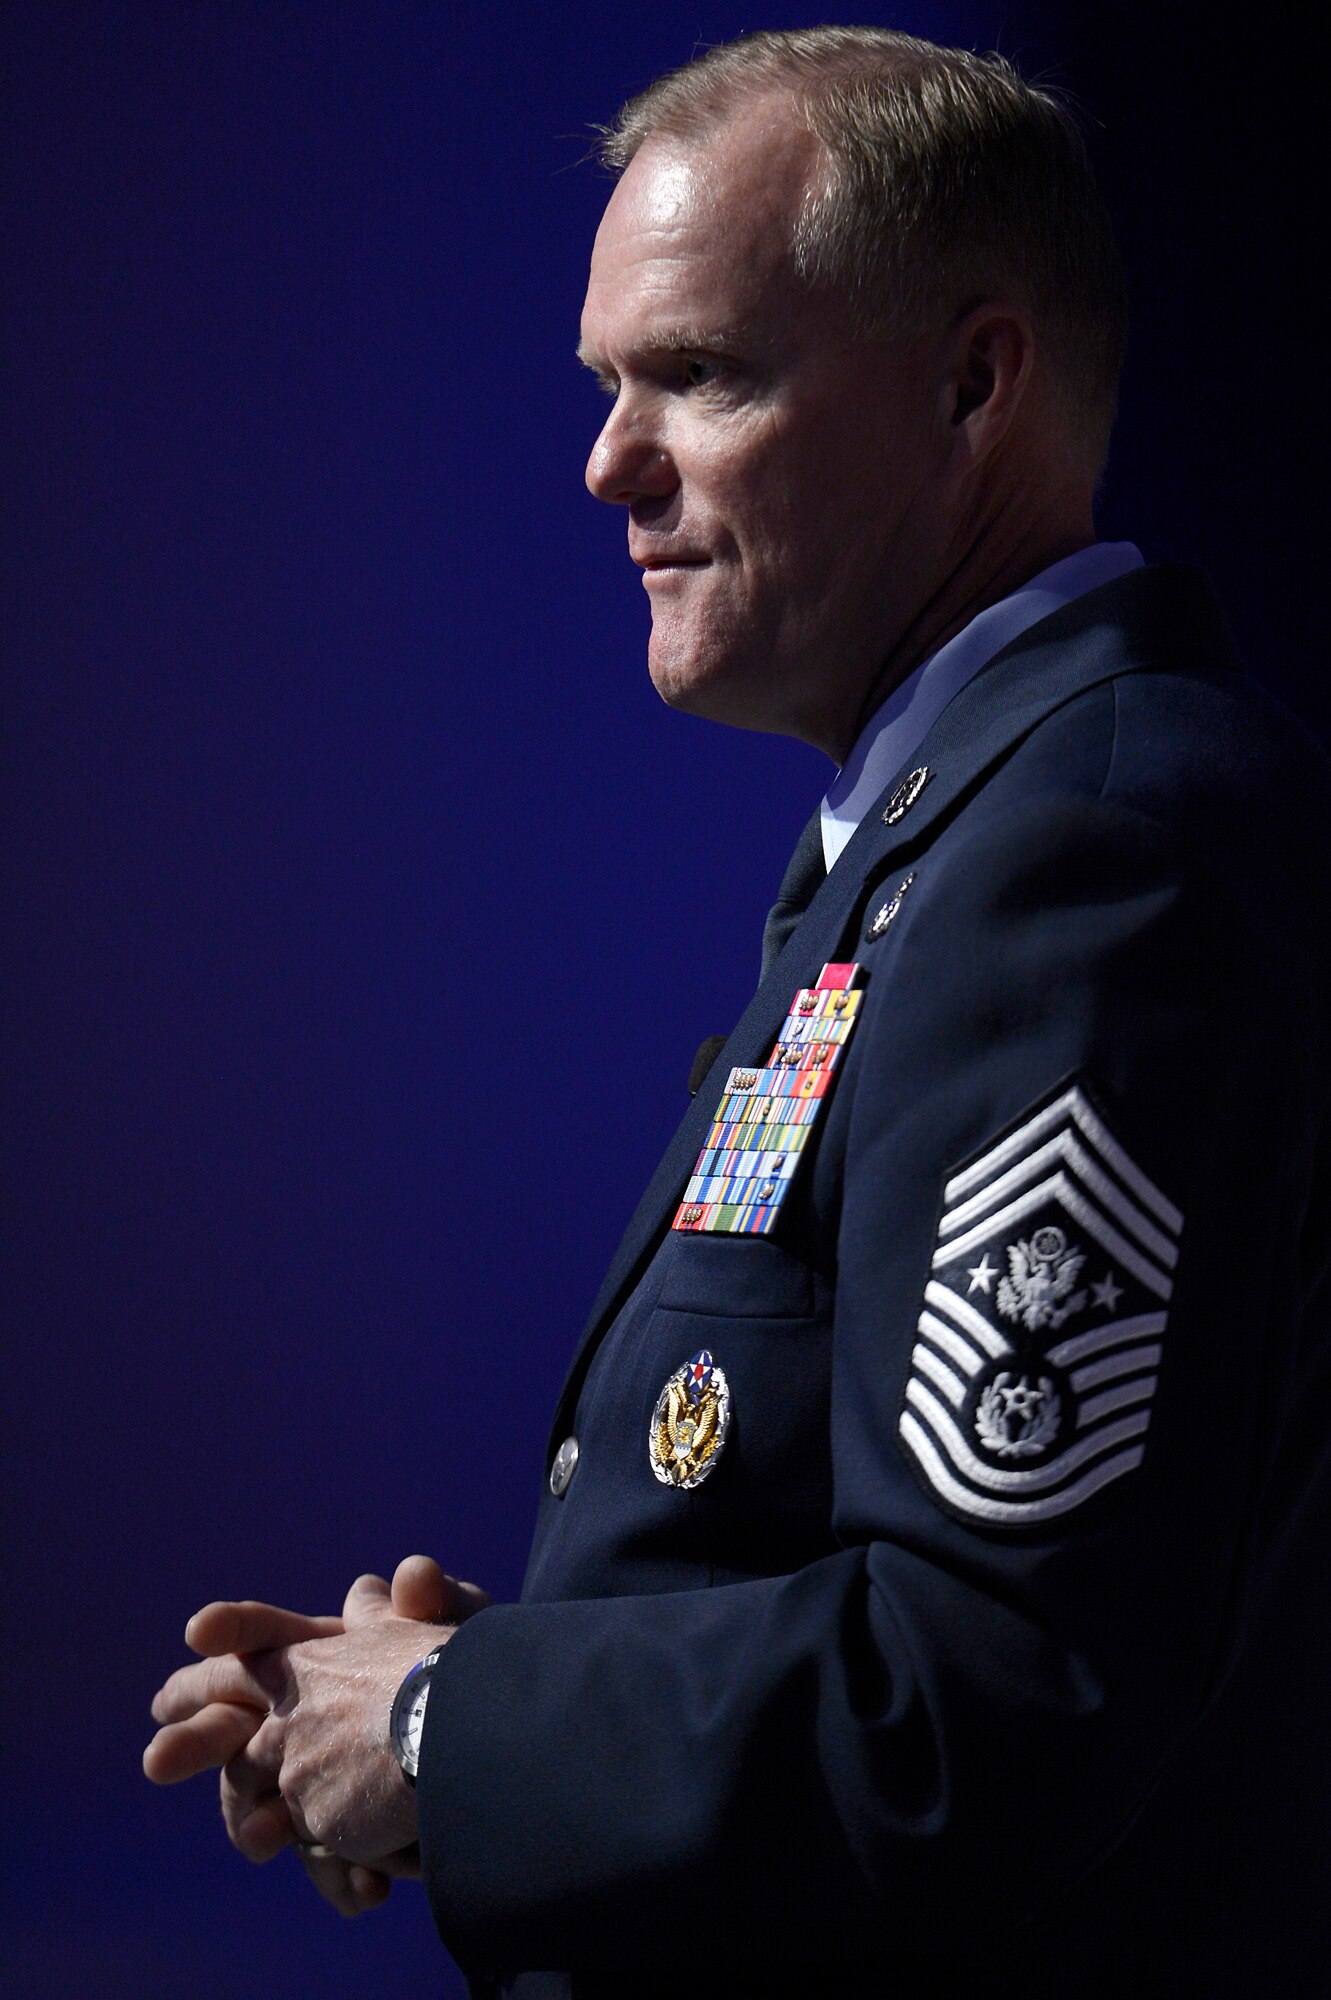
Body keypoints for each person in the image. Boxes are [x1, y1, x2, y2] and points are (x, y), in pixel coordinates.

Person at [144, 26, 1331, 1995]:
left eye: (696, 374)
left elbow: (997, 1689)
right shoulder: (946, 844)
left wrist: (463, 1724)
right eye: (611, 383)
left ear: (972, 386)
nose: (607, 460)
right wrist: (442, 1726)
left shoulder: (1096, 860)